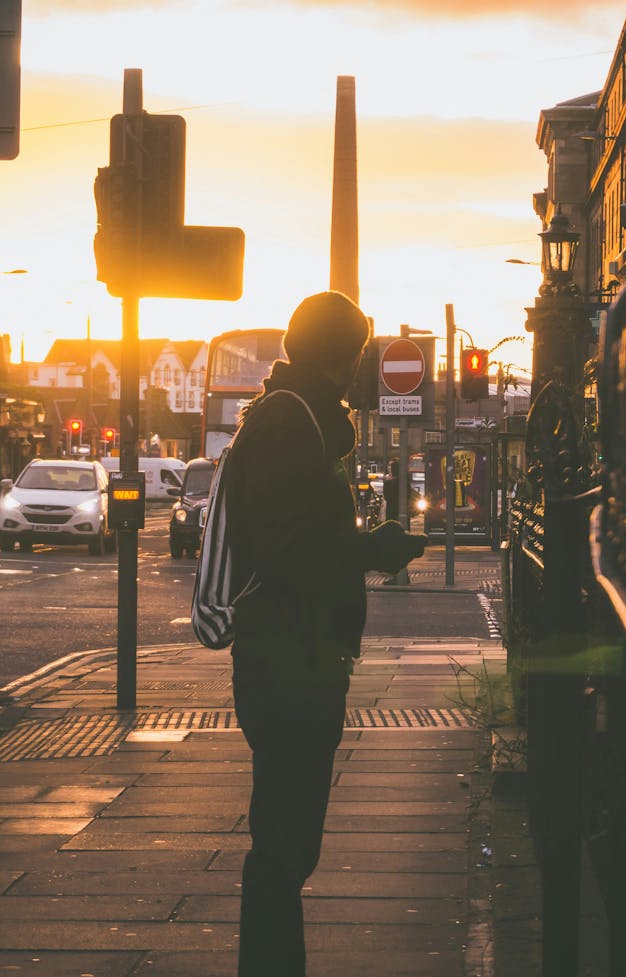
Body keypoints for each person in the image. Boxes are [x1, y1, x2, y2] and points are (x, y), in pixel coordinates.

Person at [225, 290, 428, 977]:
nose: (363, 368)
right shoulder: (289, 424)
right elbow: (290, 552)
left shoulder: (300, 418)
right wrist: (375, 550)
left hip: (300, 657)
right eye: (360, 353)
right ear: (340, 357)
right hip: (287, 661)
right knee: (284, 847)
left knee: (289, 843)